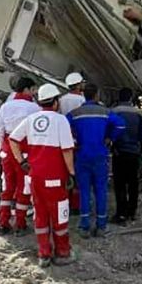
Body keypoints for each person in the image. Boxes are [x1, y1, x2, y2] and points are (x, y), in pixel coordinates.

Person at [8, 83, 76, 267]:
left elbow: (13, 139)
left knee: (40, 215)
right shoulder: (61, 121)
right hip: (56, 179)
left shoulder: (31, 120)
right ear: (54, 102)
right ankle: (62, 252)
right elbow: (67, 151)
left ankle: (43, 253)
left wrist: (22, 161)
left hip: (35, 177)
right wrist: (72, 173)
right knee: (59, 216)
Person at [68, 83, 125, 237]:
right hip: (100, 156)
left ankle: (84, 226)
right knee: (101, 191)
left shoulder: (75, 113)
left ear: (83, 94)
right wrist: (109, 138)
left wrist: (74, 142)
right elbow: (120, 125)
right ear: (97, 95)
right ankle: (101, 226)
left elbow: (64, 128)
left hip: (82, 156)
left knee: (84, 191)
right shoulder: (105, 112)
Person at [0, 76, 40, 236]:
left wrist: (2, 151)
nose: (34, 93)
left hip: (7, 151)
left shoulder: (5, 107)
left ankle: (3, 222)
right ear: (27, 89)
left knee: (7, 187)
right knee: (23, 188)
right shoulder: (34, 108)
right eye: (33, 89)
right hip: (24, 153)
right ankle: (20, 223)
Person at [109, 88, 142, 225]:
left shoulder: (114, 112)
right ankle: (132, 212)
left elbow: (109, 132)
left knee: (119, 184)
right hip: (134, 153)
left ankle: (121, 214)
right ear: (131, 98)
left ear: (119, 98)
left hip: (119, 152)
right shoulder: (138, 113)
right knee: (133, 184)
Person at [58, 72, 86, 214]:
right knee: (77, 172)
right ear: (78, 85)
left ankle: (65, 201)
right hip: (78, 138)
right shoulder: (81, 101)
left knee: (65, 172)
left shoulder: (62, 100)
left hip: (64, 138)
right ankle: (76, 205)